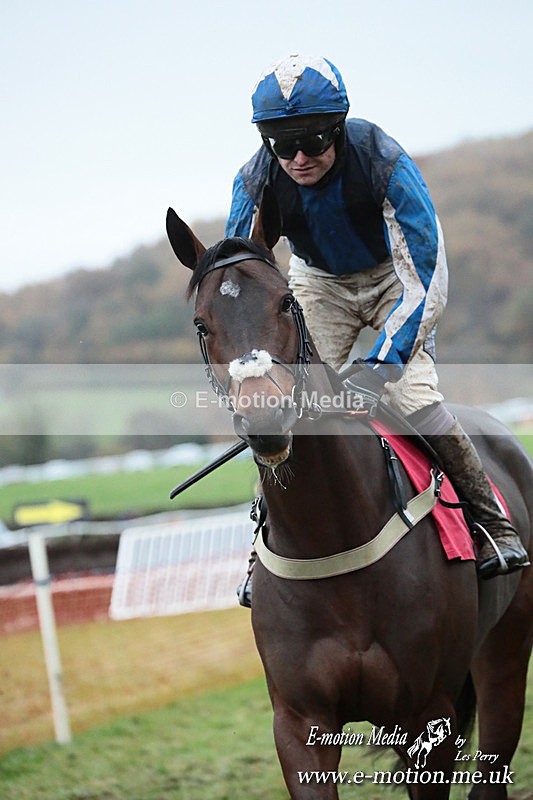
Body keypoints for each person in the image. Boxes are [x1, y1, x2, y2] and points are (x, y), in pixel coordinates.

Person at [226, 54, 529, 603]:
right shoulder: (256, 179)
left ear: (338, 127)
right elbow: (246, 272)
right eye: (280, 143)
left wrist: (380, 366)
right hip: (318, 282)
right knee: (287, 404)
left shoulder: (384, 162)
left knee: (412, 396)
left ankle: (491, 523)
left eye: (312, 141)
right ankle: (261, 546)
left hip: (399, 274)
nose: (297, 157)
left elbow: (425, 277)